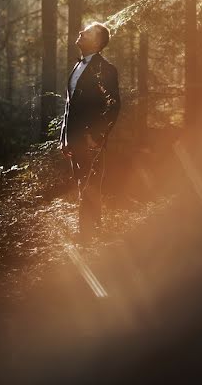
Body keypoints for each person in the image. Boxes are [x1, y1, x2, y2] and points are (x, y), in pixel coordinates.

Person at [60, 22, 121, 241]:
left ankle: (86, 235)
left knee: (89, 183)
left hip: (91, 139)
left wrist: (95, 136)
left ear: (96, 41)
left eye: (85, 32)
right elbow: (69, 106)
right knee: (82, 182)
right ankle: (94, 231)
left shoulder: (106, 69)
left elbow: (113, 106)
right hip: (73, 138)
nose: (80, 32)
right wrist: (64, 138)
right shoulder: (77, 66)